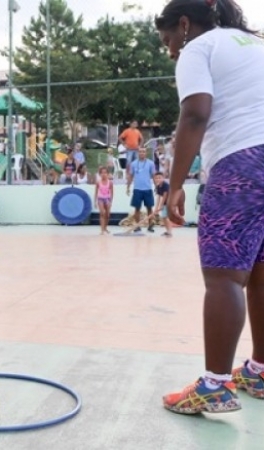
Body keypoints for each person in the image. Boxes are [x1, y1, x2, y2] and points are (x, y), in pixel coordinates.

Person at [156, 0, 264, 414]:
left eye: (169, 40)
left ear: (184, 25)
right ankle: (257, 370)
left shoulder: (199, 49)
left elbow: (195, 114)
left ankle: (215, 385)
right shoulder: (254, 44)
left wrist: (176, 184)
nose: (171, 52)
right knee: (259, 273)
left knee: (224, 276)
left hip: (242, 164)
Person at [126, 147, 156, 232]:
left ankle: (150, 225)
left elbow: (154, 175)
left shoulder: (151, 163)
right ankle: (137, 225)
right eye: (140, 152)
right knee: (137, 208)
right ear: (138, 153)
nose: (142, 153)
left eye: (143, 152)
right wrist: (128, 186)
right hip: (137, 189)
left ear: (146, 153)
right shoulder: (133, 164)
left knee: (149, 208)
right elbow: (130, 176)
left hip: (147, 189)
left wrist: (157, 186)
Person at [152, 171, 172, 237]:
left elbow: (165, 196)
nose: (158, 179)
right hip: (164, 203)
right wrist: (156, 208)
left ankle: (169, 232)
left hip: (169, 202)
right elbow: (158, 197)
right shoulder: (158, 186)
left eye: (159, 178)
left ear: (163, 178)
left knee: (165, 217)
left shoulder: (165, 185)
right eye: (156, 178)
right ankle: (167, 231)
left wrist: (161, 206)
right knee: (163, 217)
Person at [94, 167, 114, 235]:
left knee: (107, 214)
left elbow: (111, 192)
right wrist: (95, 202)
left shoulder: (110, 182)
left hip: (107, 198)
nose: (103, 174)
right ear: (100, 174)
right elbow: (96, 192)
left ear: (108, 174)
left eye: (105, 172)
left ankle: (105, 228)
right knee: (102, 213)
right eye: (102, 173)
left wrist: (111, 201)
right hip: (100, 199)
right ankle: (102, 229)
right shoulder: (98, 182)